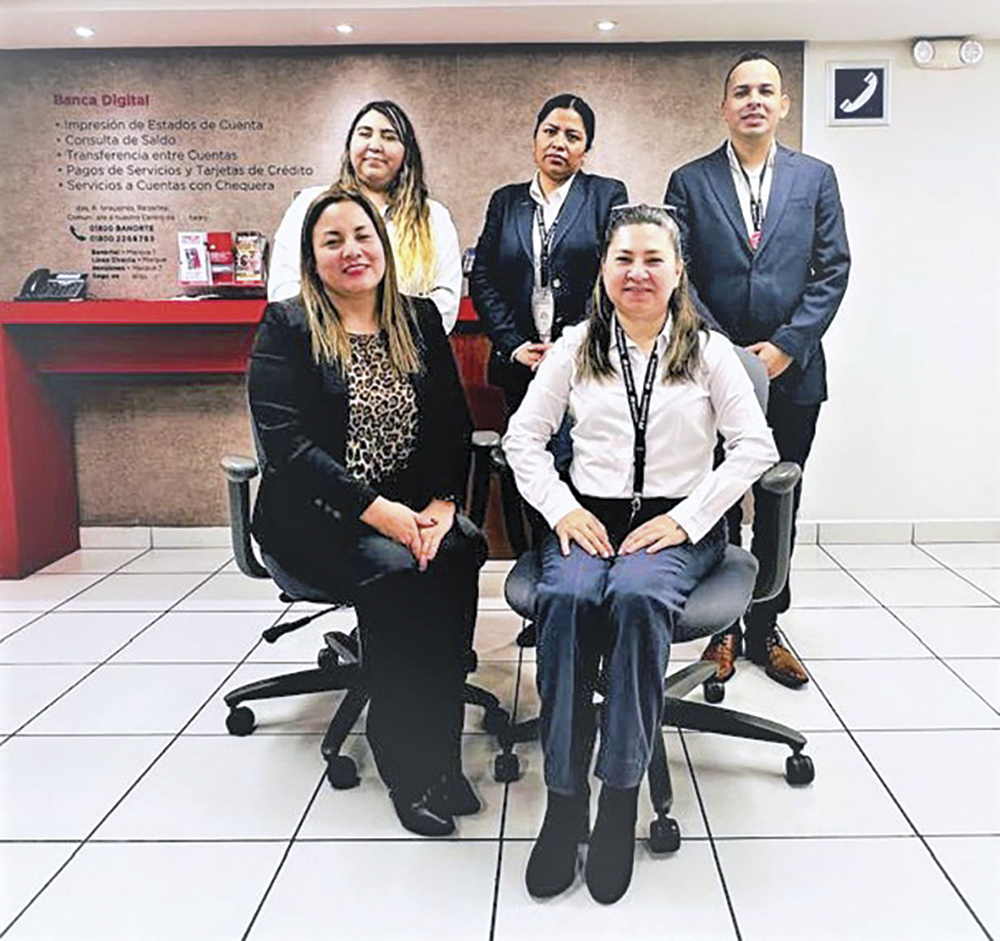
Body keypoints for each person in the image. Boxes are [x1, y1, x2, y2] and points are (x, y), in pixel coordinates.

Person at [503, 204, 778, 904]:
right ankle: (565, 801)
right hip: (588, 515)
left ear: (678, 270)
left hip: (676, 522)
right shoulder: (576, 346)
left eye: (654, 259)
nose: (638, 272)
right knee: (566, 596)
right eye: (624, 258)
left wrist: (687, 519)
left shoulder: (710, 351)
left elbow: (756, 447)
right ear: (603, 268)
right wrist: (561, 508)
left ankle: (619, 797)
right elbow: (522, 439)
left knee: (636, 594)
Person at [249, 185, 486, 838]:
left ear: (382, 246)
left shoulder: (418, 319)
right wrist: (377, 511)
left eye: (362, 236)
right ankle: (406, 766)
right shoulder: (289, 326)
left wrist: (441, 503)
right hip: (315, 517)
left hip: (411, 507)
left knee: (459, 550)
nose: (352, 250)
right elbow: (287, 447)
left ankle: (443, 753)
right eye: (333, 241)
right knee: (399, 571)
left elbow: (452, 423)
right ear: (312, 258)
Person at [665, 50, 850, 689]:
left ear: (783, 105)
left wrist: (787, 345)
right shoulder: (689, 181)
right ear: (724, 106)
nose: (754, 100)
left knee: (778, 500)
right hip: (710, 373)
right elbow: (678, 274)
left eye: (766, 91)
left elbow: (833, 268)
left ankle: (767, 625)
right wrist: (728, 354)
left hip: (794, 372)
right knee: (716, 500)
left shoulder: (815, 178)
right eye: (742, 91)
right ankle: (721, 626)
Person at [470, 93, 628, 414]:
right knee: (523, 442)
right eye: (550, 131)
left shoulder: (606, 195)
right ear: (535, 139)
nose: (559, 143)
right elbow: (483, 276)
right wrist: (514, 344)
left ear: (586, 150)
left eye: (572, 137)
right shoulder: (505, 201)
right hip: (519, 362)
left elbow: (613, 278)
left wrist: (570, 344)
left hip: (583, 362)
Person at [268, 100, 463, 333]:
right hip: (320, 345)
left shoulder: (434, 217)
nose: (375, 145)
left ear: (407, 152)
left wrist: (391, 339)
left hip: (409, 348)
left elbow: (445, 301)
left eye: (389, 136)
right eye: (365, 133)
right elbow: (284, 288)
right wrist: (339, 335)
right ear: (349, 145)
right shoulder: (309, 204)